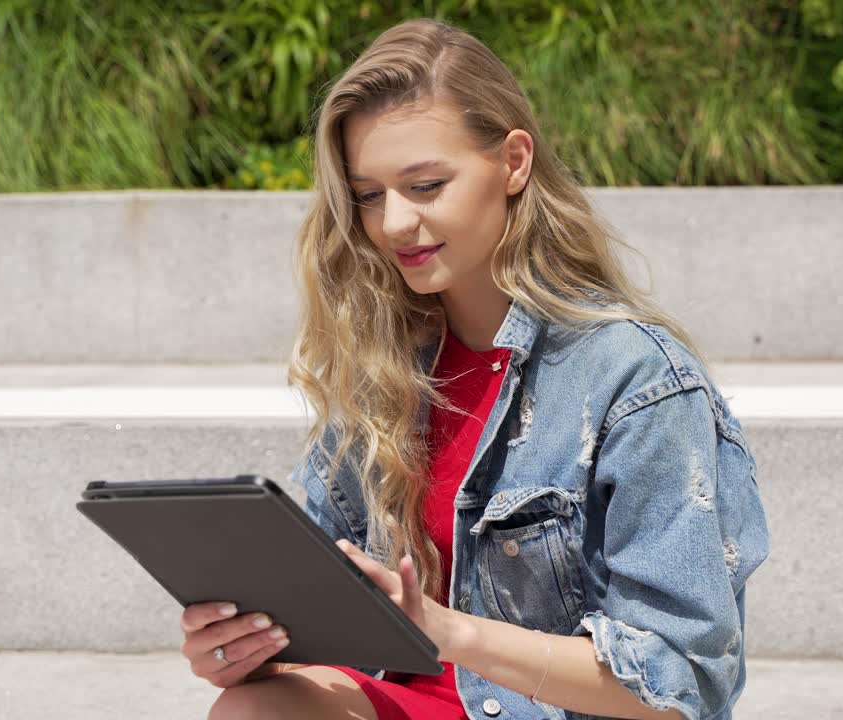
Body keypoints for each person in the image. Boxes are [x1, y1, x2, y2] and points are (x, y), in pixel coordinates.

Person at [181, 16, 770, 720]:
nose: (394, 223)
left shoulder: (634, 379)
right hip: (405, 701)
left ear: (514, 162)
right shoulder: (382, 364)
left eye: (426, 185)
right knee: (251, 707)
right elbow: (331, 617)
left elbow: (682, 683)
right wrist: (251, 646)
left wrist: (452, 634)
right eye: (369, 195)